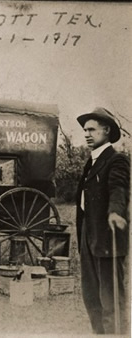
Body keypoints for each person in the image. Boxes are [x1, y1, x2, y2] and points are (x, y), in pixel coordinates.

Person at [76, 107, 130, 334]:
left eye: (92, 129)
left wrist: (115, 212)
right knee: (91, 295)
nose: (87, 134)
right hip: (88, 233)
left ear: (106, 131)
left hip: (108, 235)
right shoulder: (92, 161)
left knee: (110, 297)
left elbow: (118, 188)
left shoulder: (116, 160)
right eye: (85, 130)